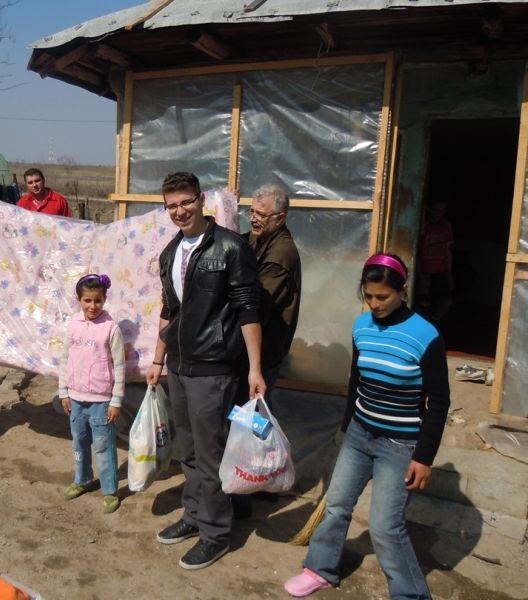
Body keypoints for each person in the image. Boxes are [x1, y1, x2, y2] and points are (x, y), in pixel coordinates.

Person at [284, 254, 450, 599]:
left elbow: (439, 401)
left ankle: (410, 594)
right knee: (337, 505)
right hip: (359, 435)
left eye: (383, 297)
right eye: (369, 296)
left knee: (385, 527)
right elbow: (356, 381)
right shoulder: (362, 327)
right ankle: (320, 568)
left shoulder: (425, 335)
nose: (375, 304)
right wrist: (346, 429)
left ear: (402, 290)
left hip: (400, 445)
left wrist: (424, 457)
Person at [147, 172, 265, 571]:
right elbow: (169, 311)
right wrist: (158, 359)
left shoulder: (230, 247)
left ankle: (215, 534)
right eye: (172, 205)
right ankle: (194, 515)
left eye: (186, 202)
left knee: (211, 453)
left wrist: (255, 368)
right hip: (179, 366)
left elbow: (249, 308)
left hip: (213, 368)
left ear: (201, 201)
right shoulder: (170, 253)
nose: (180, 211)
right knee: (190, 450)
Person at [58, 273, 125, 514]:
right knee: (79, 443)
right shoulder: (73, 325)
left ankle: (109, 490)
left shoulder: (110, 328)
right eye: (87, 300)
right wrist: (64, 392)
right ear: (79, 300)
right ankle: (83, 479)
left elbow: (119, 366)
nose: (92, 306)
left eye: (97, 300)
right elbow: (65, 359)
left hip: (101, 402)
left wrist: (115, 401)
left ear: (104, 299)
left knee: (103, 446)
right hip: (76, 400)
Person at [242, 183, 302, 409]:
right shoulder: (260, 237)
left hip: (264, 353)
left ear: (280, 218)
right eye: (252, 212)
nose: (254, 218)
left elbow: (256, 304)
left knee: (250, 420)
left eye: (262, 215)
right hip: (250, 350)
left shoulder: (281, 253)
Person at [416, 200, 453, 323]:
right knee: (423, 302)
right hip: (424, 271)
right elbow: (416, 252)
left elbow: (447, 251)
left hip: (440, 271)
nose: (439, 214)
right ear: (429, 209)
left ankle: (434, 324)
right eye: (436, 210)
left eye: (442, 210)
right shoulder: (422, 226)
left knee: (445, 299)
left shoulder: (446, 226)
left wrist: (449, 273)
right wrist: (421, 275)